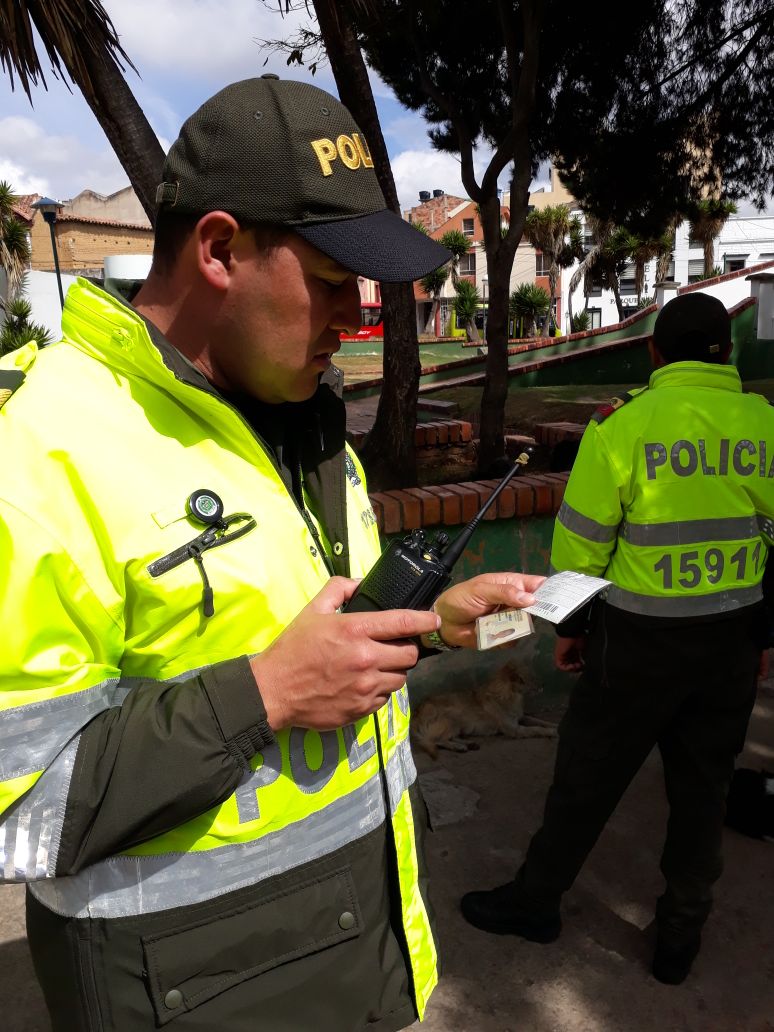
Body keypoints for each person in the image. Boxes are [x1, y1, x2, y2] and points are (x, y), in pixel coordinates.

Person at [0, 77, 544, 1031]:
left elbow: (316, 624)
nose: (355, 317)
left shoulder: (305, 421)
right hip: (192, 991)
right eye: (332, 281)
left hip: (359, 957)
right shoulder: (39, 451)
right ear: (218, 250)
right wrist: (266, 695)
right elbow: (21, 806)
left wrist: (430, 624)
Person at [461, 292, 774, 985]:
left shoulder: (620, 428)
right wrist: (762, 637)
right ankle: (680, 937)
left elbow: (580, 550)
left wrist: (572, 630)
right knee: (705, 792)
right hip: (730, 643)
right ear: (728, 352)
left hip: (635, 648)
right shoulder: (765, 423)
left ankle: (535, 902)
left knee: (586, 778)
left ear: (654, 353)